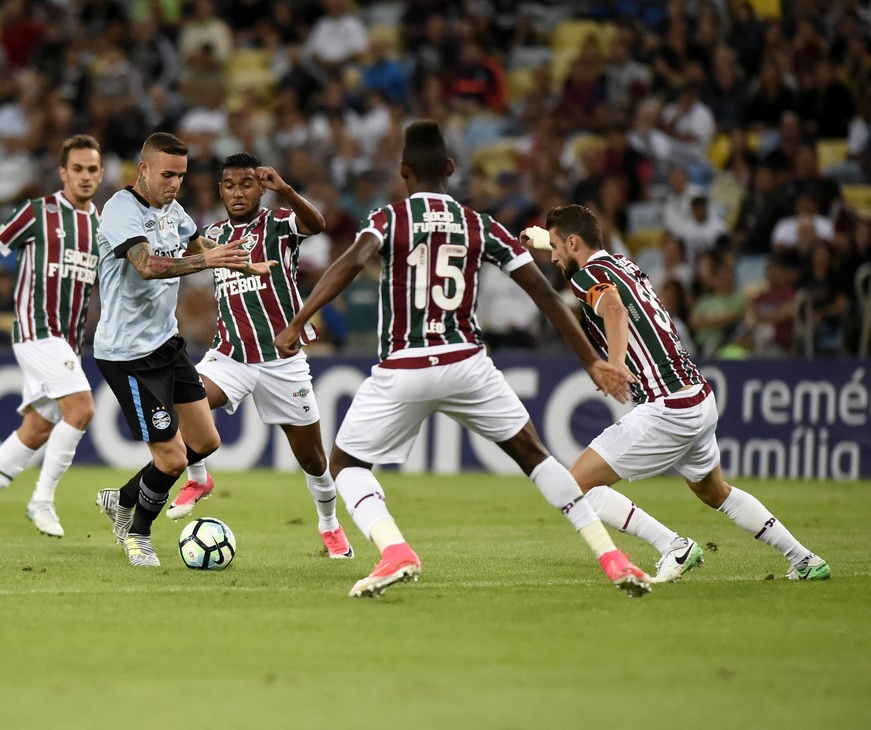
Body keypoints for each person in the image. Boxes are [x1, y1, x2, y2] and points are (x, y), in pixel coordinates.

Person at [274, 120, 651, 598]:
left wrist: (298, 319)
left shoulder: (390, 219)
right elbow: (544, 294)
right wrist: (590, 360)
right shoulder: (480, 224)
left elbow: (349, 263)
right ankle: (611, 556)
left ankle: (394, 550)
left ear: (404, 171)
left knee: (346, 464)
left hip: (405, 366)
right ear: (451, 168)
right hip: (467, 363)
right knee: (537, 458)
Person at [542, 203, 829, 582]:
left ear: (574, 242)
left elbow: (612, 307)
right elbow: (609, 292)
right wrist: (545, 240)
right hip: (697, 396)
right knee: (714, 492)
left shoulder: (588, 276)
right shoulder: (621, 263)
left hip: (667, 407)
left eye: (556, 247)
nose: (552, 255)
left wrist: (614, 364)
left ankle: (673, 546)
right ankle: (805, 559)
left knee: (574, 485)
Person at [93, 132, 274, 567]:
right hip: (127, 356)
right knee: (172, 457)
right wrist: (208, 262)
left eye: (182, 175)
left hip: (166, 343)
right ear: (144, 170)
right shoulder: (120, 210)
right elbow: (147, 265)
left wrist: (239, 260)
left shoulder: (173, 211)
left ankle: (121, 498)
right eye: (168, 174)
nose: (175, 183)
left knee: (205, 440)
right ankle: (137, 534)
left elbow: (197, 245)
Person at [169, 152, 354, 559]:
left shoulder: (278, 224)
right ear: (220, 189)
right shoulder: (212, 233)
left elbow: (318, 225)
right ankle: (198, 479)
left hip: (281, 361)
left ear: (260, 187)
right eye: (230, 185)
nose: (238, 192)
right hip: (230, 357)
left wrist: (285, 188)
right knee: (180, 397)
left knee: (312, 459)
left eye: (246, 184)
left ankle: (329, 524)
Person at [0, 134, 105, 541]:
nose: (85, 176)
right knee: (82, 408)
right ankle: (42, 500)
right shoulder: (39, 212)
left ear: (101, 174)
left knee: (36, 428)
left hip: (68, 342)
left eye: (92, 169)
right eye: (78, 169)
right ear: (63, 173)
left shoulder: (101, 226)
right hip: (36, 331)